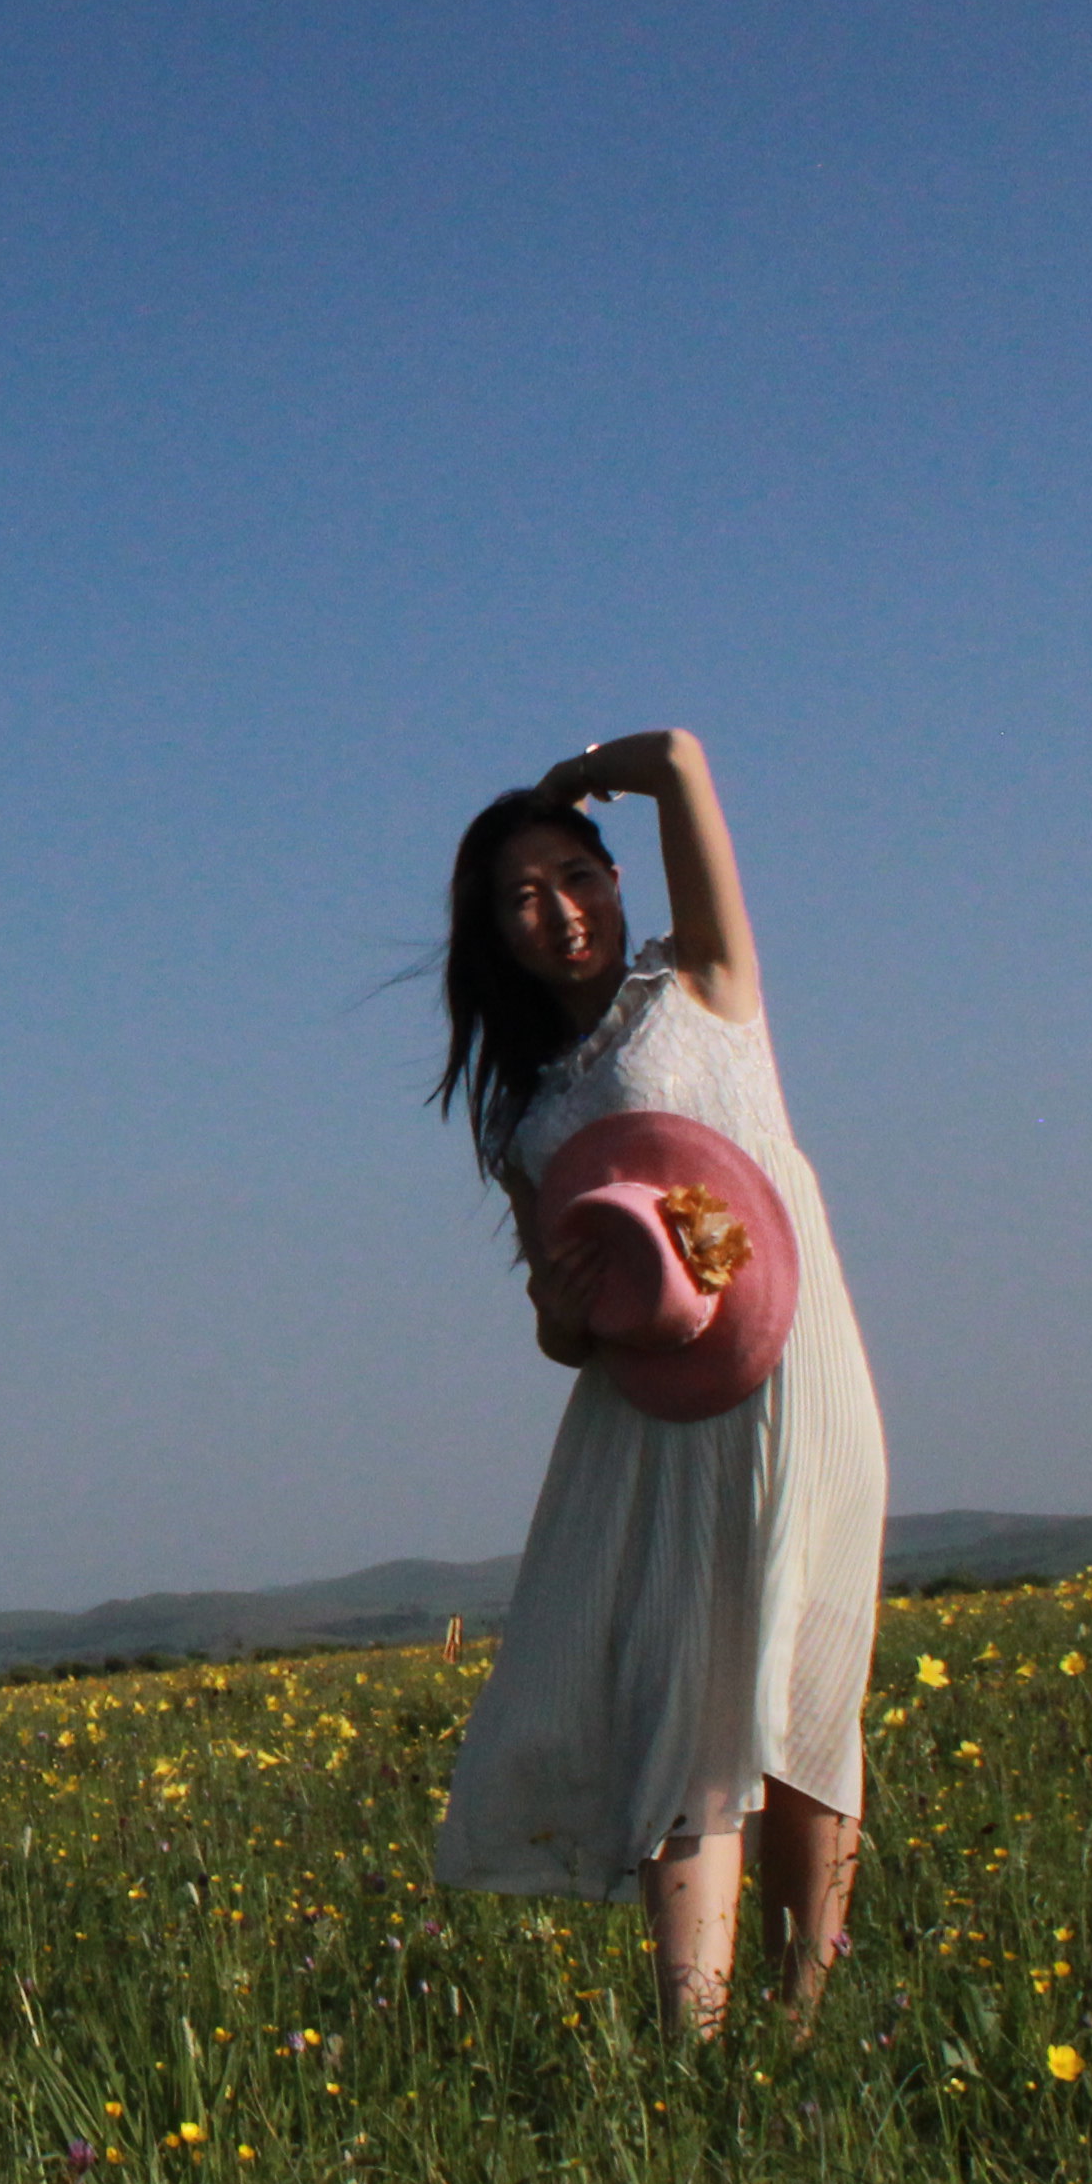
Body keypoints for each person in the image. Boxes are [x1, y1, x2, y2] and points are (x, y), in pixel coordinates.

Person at [426, 730, 887, 2034]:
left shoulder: (702, 984)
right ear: (491, 937)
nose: (562, 911)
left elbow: (683, 761)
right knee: (679, 1701)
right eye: (523, 897)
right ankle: (694, 2039)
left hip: (798, 1367)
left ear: (618, 877)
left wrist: (581, 772)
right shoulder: (529, 1122)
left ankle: (799, 2016)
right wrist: (565, 1319)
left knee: (797, 1687)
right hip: (652, 1408)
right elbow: (559, 1332)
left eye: (579, 874)